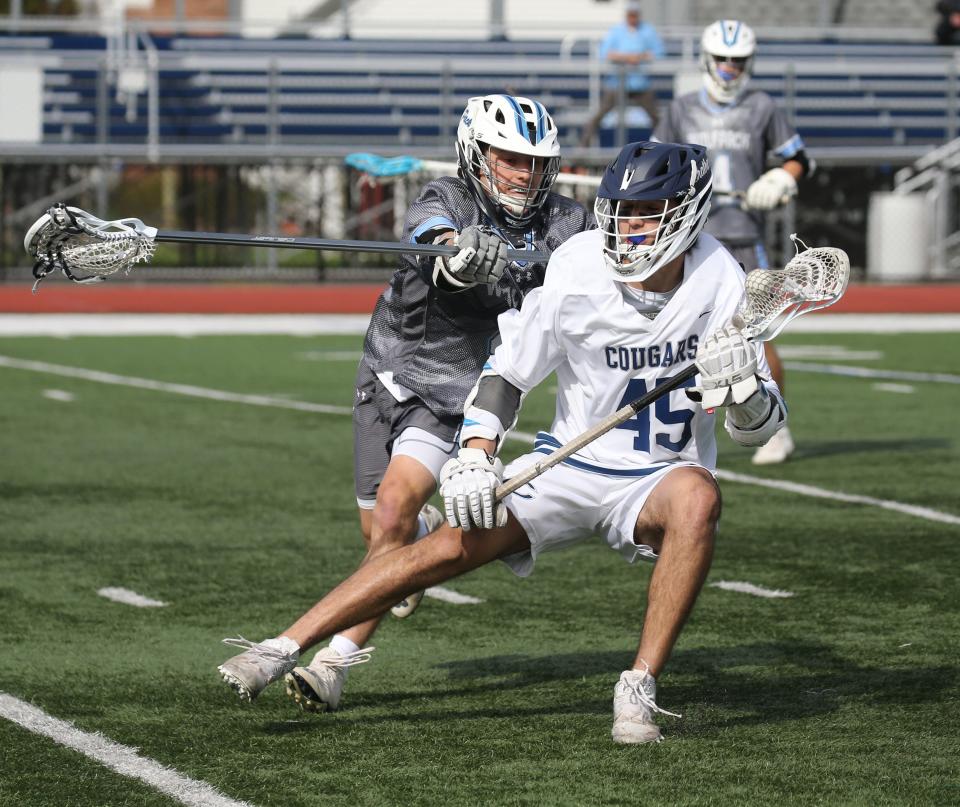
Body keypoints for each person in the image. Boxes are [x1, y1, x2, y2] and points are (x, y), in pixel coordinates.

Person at [217, 141, 789, 744]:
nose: (627, 228)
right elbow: (509, 372)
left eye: (646, 212)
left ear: (688, 213)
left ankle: (639, 685)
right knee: (441, 550)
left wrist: (745, 389)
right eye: (619, 211)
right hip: (571, 462)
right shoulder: (579, 266)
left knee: (699, 498)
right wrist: (474, 454)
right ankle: (281, 646)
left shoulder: (722, 279)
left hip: (656, 478)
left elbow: (760, 427)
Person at [218, 94, 592, 712]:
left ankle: (334, 663)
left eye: (535, 162)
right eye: (510, 159)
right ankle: (421, 537)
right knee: (380, 528)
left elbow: (611, 265)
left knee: (391, 512)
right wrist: (462, 255)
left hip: (458, 393)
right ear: (477, 154)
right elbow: (431, 243)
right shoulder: (443, 199)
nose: (524, 174)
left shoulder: (565, 224)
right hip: (388, 371)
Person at [652, 20, 812, 465]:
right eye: (722, 59)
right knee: (671, 333)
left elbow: (799, 159)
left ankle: (775, 426)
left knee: (756, 335)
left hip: (742, 236)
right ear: (707, 59)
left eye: (737, 61)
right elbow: (654, 162)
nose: (729, 68)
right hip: (688, 237)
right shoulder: (681, 109)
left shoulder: (762, 107)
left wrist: (780, 177)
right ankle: (670, 428)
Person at [578, 1, 665, 147]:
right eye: (630, 15)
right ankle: (581, 148)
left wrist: (640, 57)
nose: (632, 18)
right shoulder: (617, 31)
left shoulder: (647, 30)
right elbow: (605, 53)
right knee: (599, 115)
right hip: (617, 82)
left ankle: (666, 147)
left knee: (656, 118)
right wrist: (626, 58)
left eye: (635, 15)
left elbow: (659, 52)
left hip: (640, 83)